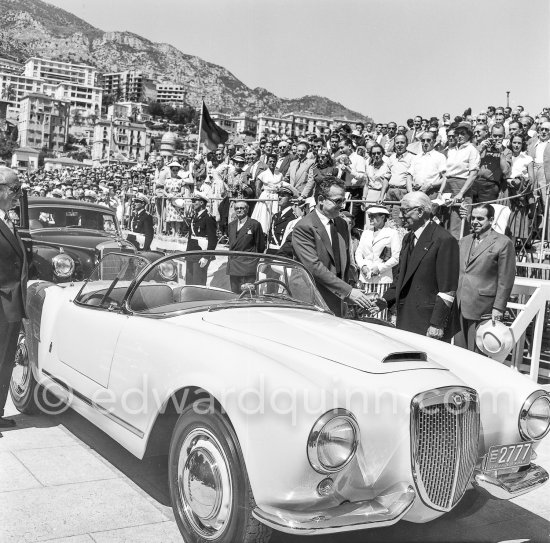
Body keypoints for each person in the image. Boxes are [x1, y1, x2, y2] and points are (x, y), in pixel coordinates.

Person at [381, 192, 459, 341]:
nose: (401, 216)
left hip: (428, 322)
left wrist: (437, 323)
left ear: (421, 211)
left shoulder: (444, 240)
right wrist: (384, 300)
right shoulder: (408, 238)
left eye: (405, 211)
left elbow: (447, 288)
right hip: (407, 316)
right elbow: (401, 278)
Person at [292, 177, 375, 317]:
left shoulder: (342, 224)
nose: (342, 206)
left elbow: (345, 264)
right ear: (321, 200)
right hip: (312, 298)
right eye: (337, 201)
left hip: (336, 299)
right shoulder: (304, 227)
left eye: (344, 200)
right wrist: (348, 291)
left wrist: (356, 293)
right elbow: (314, 267)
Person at [455, 204, 516, 353]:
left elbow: (506, 278)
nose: (475, 221)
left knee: (477, 353)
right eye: (473, 217)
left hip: (483, 307)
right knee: (458, 351)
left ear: (491, 220)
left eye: (480, 219)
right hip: (459, 304)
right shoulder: (464, 241)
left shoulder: (503, 242)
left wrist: (498, 307)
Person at [0, 167, 27, 428]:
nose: (18, 196)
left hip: (11, 304)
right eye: (14, 190)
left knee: (6, 361)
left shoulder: (8, 219)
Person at [355, 205, 401, 319]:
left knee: (378, 313)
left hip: (382, 280)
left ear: (382, 217)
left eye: (374, 216)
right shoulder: (366, 232)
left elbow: (396, 257)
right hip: (364, 279)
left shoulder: (392, 233)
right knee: (362, 312)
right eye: (369, 216)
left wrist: (380, 268)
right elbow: (358, 253)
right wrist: (363, 266)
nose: (370, 218)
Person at [444, 123, 481, 239]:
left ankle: (458, 254)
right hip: (448, 188)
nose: (459, 136)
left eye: (463, 133)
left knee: (458, 225)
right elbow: (447, 173)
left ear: (469, 135)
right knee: (446, 222)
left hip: (461, 188)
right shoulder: (452, 150)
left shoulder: (472, 150)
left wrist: (461, 193)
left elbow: (473, 174)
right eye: (458, 133)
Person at [227, 200, 265, 293]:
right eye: (236, 208)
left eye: (241, 208)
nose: (239, 210)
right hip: (234, 265)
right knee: (235, 293)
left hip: (248, 265)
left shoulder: (254, 224)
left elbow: (260, 246)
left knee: (247, 294)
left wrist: (252, 260)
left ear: (247, 210)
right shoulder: (231, 225)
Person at [186, 193, 218, 286]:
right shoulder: (194, 217)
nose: (193, 203)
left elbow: (213, 240)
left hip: (201, 255)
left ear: (201, 203)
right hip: (191, 253)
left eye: (194, 201)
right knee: (189, 282)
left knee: (198, 282)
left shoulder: (208, 218)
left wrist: (206, 257)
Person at [251, 153, 283, 234]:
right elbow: (257, 187)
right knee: (264, 216)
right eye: (270, 161)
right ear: (267, 162)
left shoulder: (279, 174)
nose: (272, 163)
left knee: (275, 215)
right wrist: (260, 199)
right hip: (266, 197)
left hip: (275, 197)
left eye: (274, 161)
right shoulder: (263, 174)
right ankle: (264, 234)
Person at [267, 186, 298, 257]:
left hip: (282, 254)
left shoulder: (293, 218)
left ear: (290, 199)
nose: (280, 197)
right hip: (270, 253)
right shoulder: (275, 216)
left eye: (283, 196)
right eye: (279, 195)